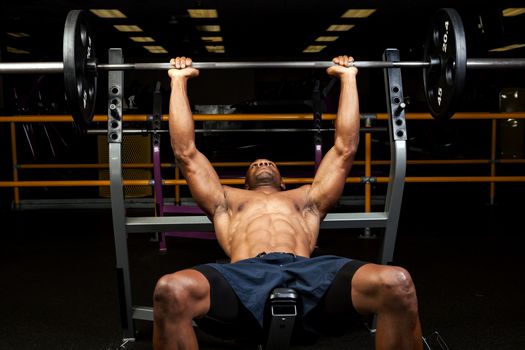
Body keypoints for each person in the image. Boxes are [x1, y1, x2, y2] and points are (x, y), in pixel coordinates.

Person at [153, 56, 423, 350]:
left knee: (397, 282)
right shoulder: (226, 199)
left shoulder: (307, 197)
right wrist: (178, 81)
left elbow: (345, 149)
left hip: (310, 273)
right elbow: (186, 153)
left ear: (283, 182)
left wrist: (348, 78)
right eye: (255, 164)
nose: (263, 162)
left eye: (268, 162)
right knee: (171, 289)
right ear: (245, 182)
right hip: (244, 274)